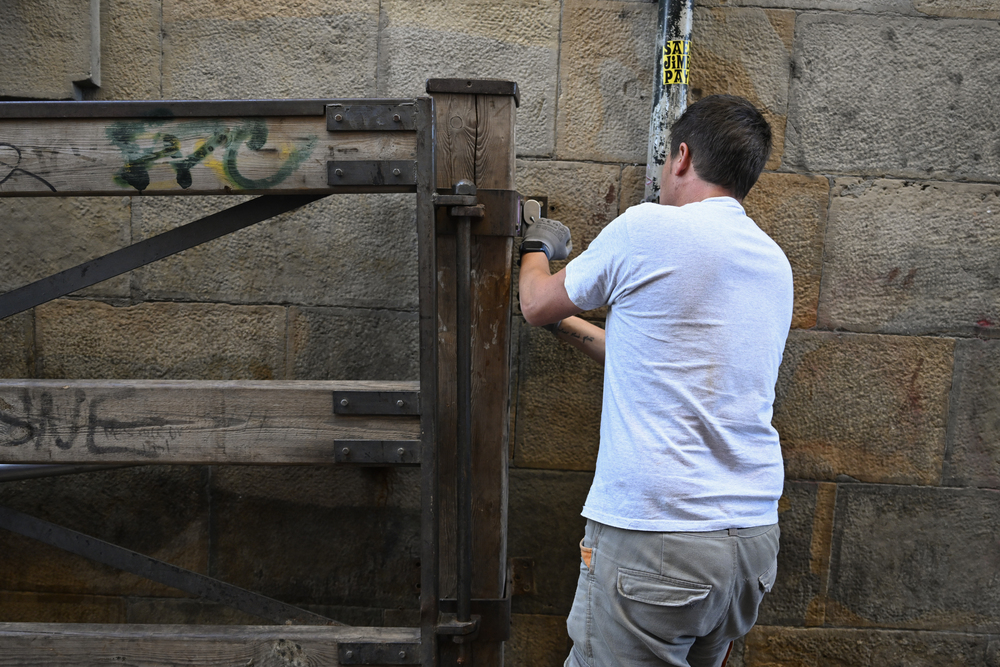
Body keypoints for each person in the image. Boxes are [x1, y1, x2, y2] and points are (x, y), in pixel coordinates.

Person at [517, 94, 792, 667]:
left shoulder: (649, 228)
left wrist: (536, 247)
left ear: (683, 158)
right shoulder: (773, 264)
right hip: (749, 547)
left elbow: (536, 302)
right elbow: (646, 356)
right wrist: (569, 327)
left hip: (660, 539)